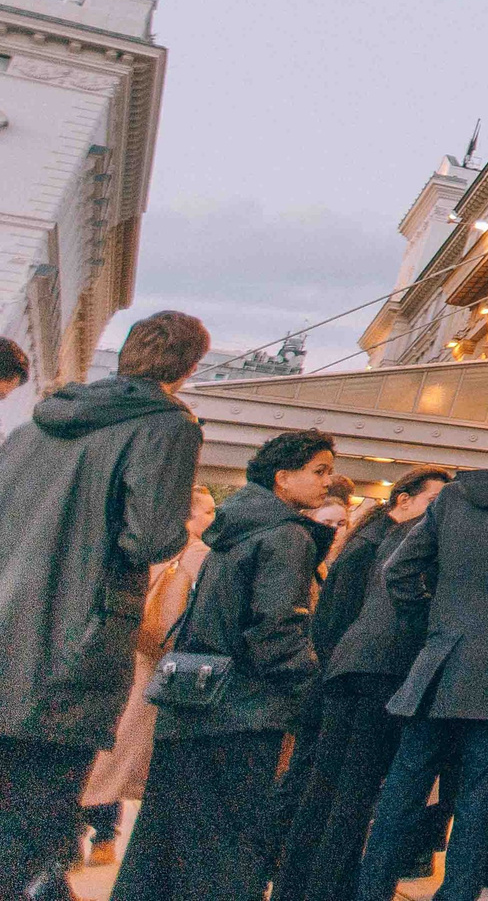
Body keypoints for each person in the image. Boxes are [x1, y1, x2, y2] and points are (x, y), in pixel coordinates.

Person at [0, 310, 208, 898]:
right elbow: (152, 537)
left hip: (11, 618)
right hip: (78, 626)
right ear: (188, 368)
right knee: (46, 785)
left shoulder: (39, 424)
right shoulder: (167, 426)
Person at [351, 413, 488, 901]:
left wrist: (434, 625)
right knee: (481, 797)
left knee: (402, 792)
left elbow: (400, 572)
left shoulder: (452, 496)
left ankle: (369, 890)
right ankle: (455, 894)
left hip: (438, 665)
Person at [114, 427, 339, 901]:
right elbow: (276, 629)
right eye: (319, 471)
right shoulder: (286, 537)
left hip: (192, 698)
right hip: (245, 709)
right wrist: (311, 693)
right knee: (229, 841)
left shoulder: (233, 529)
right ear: (283, 478)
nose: (327, 481)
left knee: (165, 834)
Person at [268, 465, 452, 901]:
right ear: (403, 500)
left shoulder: (376, 540)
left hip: (345, 675)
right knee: (346, 796)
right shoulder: (384, 545)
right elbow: (333, 622)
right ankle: (327, 888)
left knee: (326, 792)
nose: (439, 512)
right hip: (362, 677)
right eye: (433, 501)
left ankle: (301, 888)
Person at [79, 485, 216, 870]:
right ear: (189, 517)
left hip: (128, 663)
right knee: (136, 766)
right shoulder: (200, 556)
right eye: (207, 512)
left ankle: (84, 837)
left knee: (107, 759)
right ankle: (107, 840)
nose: (212, 518)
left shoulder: (143, 552)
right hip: (165, 672)